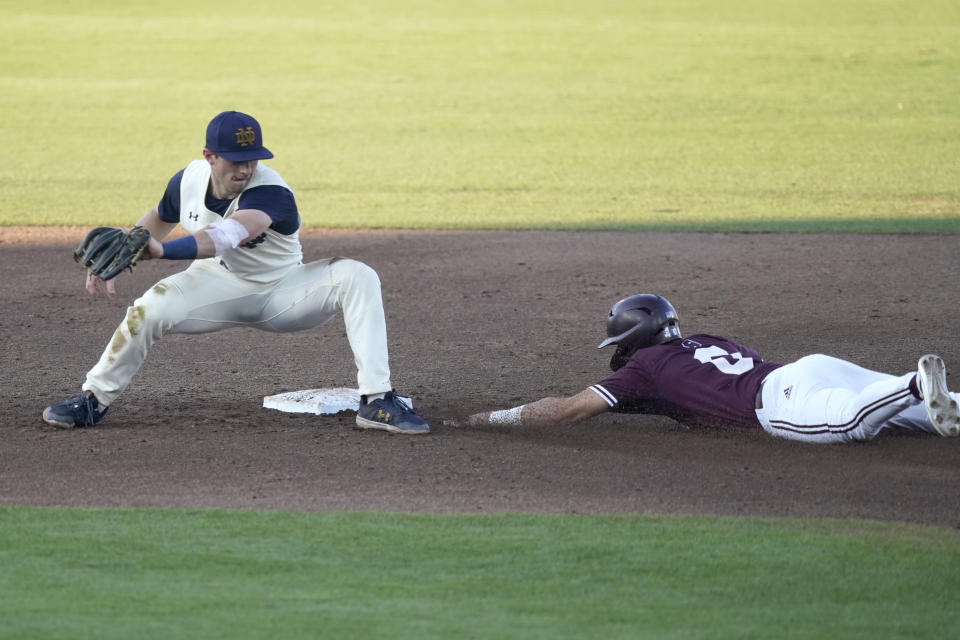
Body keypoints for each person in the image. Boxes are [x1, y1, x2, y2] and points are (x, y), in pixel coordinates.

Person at [42, 110, 429, 434]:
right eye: (234, 159)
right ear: (210, 156)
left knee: (357, 274)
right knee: (148, 310)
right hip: (215, 283)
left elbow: (227, 233)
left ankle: (378, 401)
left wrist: (161, 251)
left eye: (252, 159)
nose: (245, 168)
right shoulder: (188, 180)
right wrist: (126, 248)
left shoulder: (271, 192)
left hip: (284, 293)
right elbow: (160, 217)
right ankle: (93, 400)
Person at [451, 293, 960, 444]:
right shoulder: (705, 341)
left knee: (847, 422)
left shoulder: (644, 367)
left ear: (631, 339)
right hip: (809, 367)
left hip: (778, 402)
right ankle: (924, 392)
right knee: (927, 416)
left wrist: (488, 419)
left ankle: (916, 382)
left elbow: (565, 411)